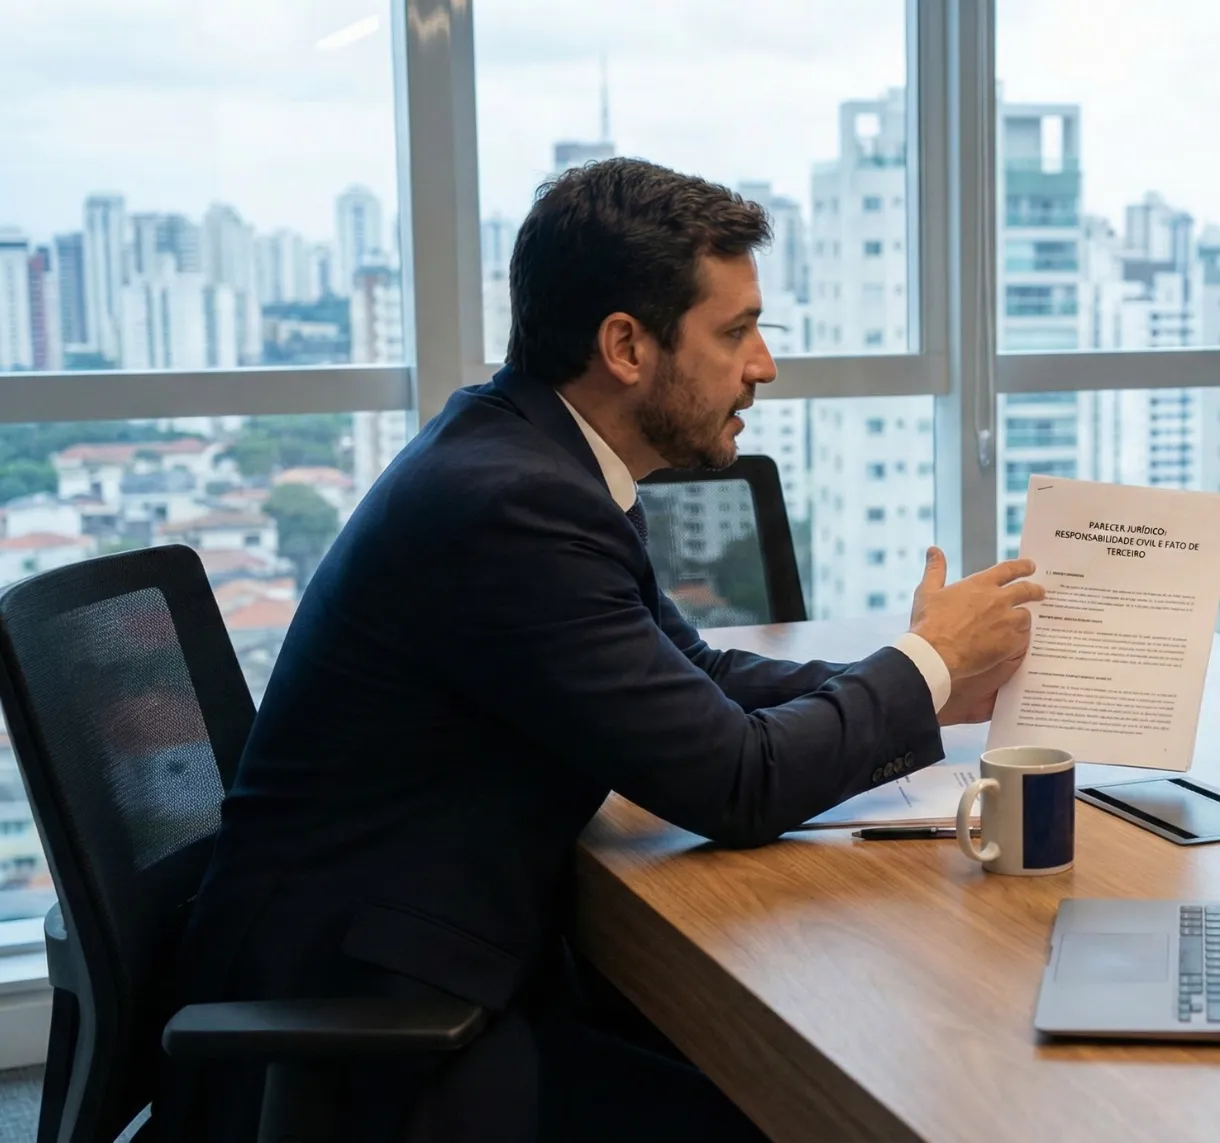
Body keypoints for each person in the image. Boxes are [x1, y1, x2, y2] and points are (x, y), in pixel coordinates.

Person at [158, 158, 1044, 1142]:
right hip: (373, 1024)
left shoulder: (524, 455)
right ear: (625, 345)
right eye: (735, 331)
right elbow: (735, 784)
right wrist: (919, 669)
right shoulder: (512, 505)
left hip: (430, 955)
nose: (764, 366)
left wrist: (934, 684)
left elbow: (693, 676)